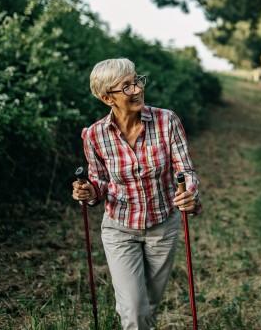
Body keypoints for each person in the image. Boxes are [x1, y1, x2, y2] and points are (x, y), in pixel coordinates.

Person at [71, 58, 202, 330]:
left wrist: (188, 193)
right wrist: (88, 190)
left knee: (148, 306)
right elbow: (100, 182)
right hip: (120, 227)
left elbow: (185, 170)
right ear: (108, 98)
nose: (137, 89)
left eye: (137, 81)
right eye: (126, 86)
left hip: (163, 226)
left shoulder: (167, 121)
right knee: (133, 310)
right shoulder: (95, 135)